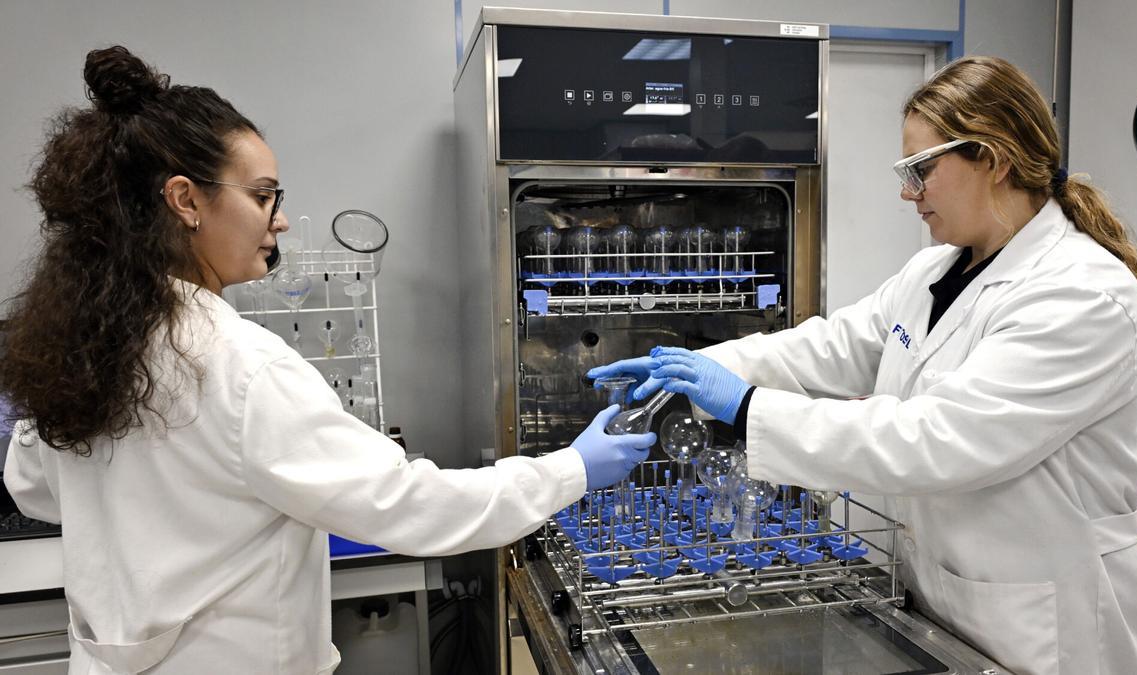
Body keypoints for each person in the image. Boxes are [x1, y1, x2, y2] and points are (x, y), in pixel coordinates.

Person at [0, 46, 654, 674]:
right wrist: (572, 468)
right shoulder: (240, 365)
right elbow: (409, 506)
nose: (280, 221)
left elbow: (33, 487)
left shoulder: (86, 345)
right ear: (186, 200)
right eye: (263, 196)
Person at [590, 56, 1137, 675]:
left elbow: (940, 439)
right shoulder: (936, 269)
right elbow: (832, 346)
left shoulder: (1082, 294)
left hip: (1049, 625)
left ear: (994, 159)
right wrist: (693, 367)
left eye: (921, 169)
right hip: (944, 601)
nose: (908, 193)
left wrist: (747, 406)